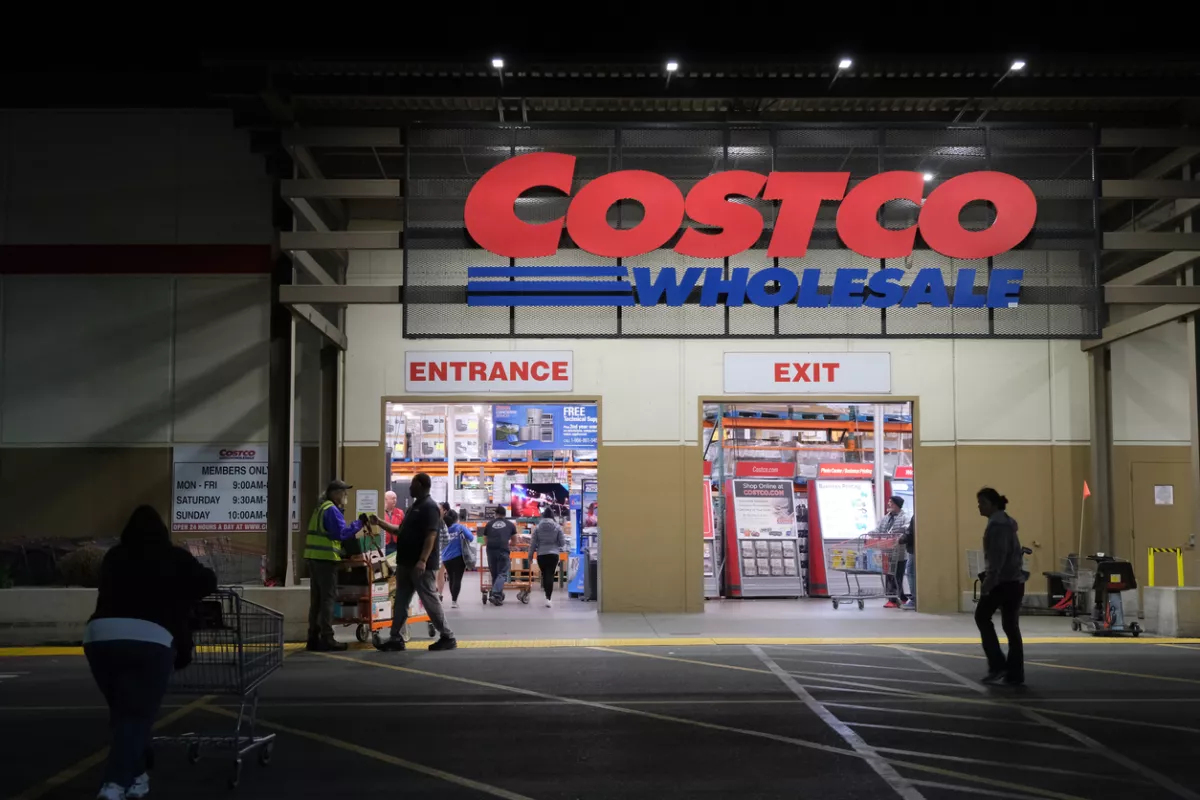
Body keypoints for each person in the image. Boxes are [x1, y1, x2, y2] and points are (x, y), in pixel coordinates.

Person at [84, 506, 218, 800]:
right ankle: (114, 784)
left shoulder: (115, 557)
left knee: (124, 713)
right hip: (150, 640)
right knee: (136, 715)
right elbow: (207, 582)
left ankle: (138, 776)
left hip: (100, 638)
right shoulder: (175, 557)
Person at [371, 472, 456, 652]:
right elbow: (399, 531)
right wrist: (379, 522)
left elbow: (431, 535)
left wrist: (423, 560)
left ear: (421, 485)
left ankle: (447, 636)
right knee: (401, 600)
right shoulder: (412, 508)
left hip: (420, 565)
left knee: (430, 600)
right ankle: (396, 638)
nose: (409, 487)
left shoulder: (429, 507)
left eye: (413, 484)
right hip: (405, 562)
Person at [303, 479, 366, 652]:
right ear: (335, 493)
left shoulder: (320, 508)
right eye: (344, 492)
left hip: (313, 558)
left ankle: (313, 637)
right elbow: (341, 534)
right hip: (325, 560)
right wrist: (359, 523)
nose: (345, 495)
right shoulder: (331, 509)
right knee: (327, 599)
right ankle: (328, 638)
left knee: (316, 601)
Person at [975, 487, 1028, 686]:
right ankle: (1015, 673)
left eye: (983, 503)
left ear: (994, 504)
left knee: (982, 617)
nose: (979, 507)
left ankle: (998, 665)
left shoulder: (998, 527)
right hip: (1014, 581)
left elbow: (998, 557)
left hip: (1002, 583)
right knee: (1010, 626)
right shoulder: (1006, 523)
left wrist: (988, 582)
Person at [874, 496, 909, 608]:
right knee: (889, 575)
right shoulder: (885, 518)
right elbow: (878, 529)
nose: (889, 504)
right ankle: (900, 597)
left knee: (897, 575)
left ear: (897, 505)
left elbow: (907, 528)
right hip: (886, 552)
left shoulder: (905, 517)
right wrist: (871, 533)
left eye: (891, 503)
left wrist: (896, 533)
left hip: (900, 553)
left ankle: (894, 599)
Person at [529, 508, 567, 607]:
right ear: (552, 516)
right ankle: (548, 598)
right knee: (550, 574)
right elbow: (562, 543)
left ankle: (547, 596)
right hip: (553, 554)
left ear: (543, 516)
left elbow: (533, 544)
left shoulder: (537, 528)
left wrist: (529, 557)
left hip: (541, 555)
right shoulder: (557, 527)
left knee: (545, 574)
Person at [484, 505, 519, 606]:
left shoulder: (489, 524)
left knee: (495, 574)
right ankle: (495, 594)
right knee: (503, 573)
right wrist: (510, 545)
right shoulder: (510, 524)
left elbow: (485, 539)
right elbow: (514, 540)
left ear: (495, 514)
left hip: (490, 551)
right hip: (503, 550)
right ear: (505, 514)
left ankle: (497, 596)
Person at [440, 509, 473, 608]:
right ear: (456, 518)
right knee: (457, 578)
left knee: (451, 578)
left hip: (445, 557)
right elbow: (471, 537)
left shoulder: (442, 528)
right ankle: (454, 601)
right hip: (459, 557)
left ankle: (453, 599)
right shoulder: (460, 527)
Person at [899, 515, 916, 610]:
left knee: (910, 572)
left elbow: (910, 533)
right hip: (913, 549)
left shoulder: (916, 515)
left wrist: (901, 539)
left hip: (913, 549)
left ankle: (914, 599)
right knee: (911, 572)